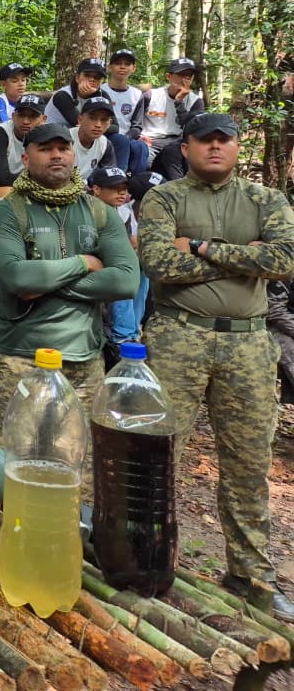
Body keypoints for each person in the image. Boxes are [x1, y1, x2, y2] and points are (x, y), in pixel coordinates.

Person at [137, 112, 294, 621]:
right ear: (186, 147)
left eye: (225, 139)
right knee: (162, 455)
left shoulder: (265, 199)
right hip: (178, 335)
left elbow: (285, 259)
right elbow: (158, 263)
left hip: (248, 344)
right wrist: (243, 255)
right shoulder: (164, 197)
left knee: (248, 463)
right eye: (206, 140)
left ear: (236, 145)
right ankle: (150, 562)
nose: (215, 147)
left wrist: (201, 247)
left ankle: (252, 574)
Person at [0, 122, 139, 435]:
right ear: (25, 159)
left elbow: (125, 281)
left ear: (73, 155)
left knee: (76, 465)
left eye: (63, 148)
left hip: (85, 362)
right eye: (45, 149)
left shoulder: (98, 211)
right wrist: (83, 262)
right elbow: (16, 278)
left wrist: (44, 281)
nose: (57, 155)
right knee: (7, 462)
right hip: (20, 359)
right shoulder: (8, 212)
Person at [88, 166, 145, 353]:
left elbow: (126, 247)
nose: (122, 193)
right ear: (97, 189)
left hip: (112, 262)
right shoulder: (84, 210)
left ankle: (133, 330)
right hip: (90, 264)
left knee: (142, 267)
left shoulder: (123, 213)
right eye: (115, 188)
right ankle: (122, 336)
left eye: (124, 188)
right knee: (122, 271)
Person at [0, 91, 47, 196]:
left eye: (32, 116)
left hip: (22, 187)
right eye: (21, 115)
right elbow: (4, 179)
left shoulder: (46, 136)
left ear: (43, 119)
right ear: (13, 116)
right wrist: (41, 173)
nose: (25, 121)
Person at [141, 57, 205, 166]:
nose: (184, 79)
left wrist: (179, 101)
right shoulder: (151, 96)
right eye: (181, 75)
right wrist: (138, 136)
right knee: (144, 160)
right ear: (168, 76)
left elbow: (191, 128)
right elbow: (135, 120)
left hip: (176, 143)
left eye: (188, 76)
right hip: (149, 142)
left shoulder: (196, 101)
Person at [101, 47, 150, 173]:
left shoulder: (137, 94)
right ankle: (116, 181)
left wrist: (127, 137)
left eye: (127, 64)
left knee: (141, 147)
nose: (122, 67)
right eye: (118, 63)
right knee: (119, 142)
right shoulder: (100, 91)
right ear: (110, 67)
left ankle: (136, 183)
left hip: (128, 137)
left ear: (134, 68)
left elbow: (137, 126)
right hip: (105, 135)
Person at [69, 95, 117, 177]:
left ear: (110, 123)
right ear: (80, 120)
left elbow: (110, 178)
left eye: (104, 119)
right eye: (92, 118)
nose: (98, 125)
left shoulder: (104, 144)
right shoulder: (65, 139)